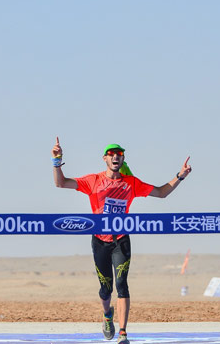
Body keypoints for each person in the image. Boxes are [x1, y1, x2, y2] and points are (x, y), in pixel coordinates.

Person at [52, 137, 191, 343]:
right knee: (106, 289)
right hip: (100, 241)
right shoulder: (94, 181)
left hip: (121, 240)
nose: (115, 156)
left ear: (123, 159)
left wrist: (180, 176)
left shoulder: (131, 183)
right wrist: (57, 161)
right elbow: (61, 183)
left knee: (122, 284)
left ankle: (123, 333)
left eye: (119, 154)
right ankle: (107, 315)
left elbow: (161, 193)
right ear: (105, 159)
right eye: (111, 154)